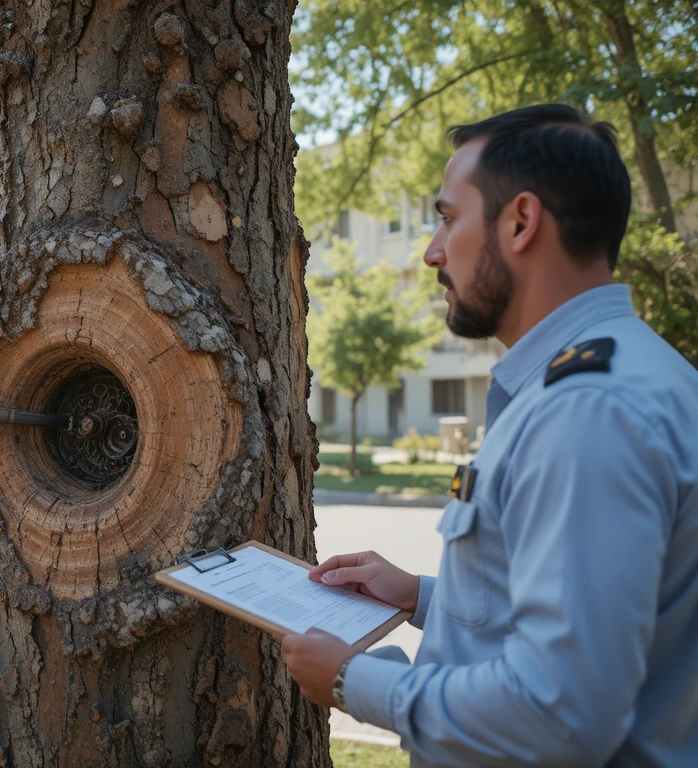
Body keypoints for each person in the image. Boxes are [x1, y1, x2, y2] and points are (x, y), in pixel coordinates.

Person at [282, 104, 698, 766]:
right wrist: (421, 595)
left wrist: (350, 680)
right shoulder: (626, 373)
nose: (431, 252)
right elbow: (587, 611)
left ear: (521, 221)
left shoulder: (586, 410)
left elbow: (560, 711)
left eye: (448, 218)